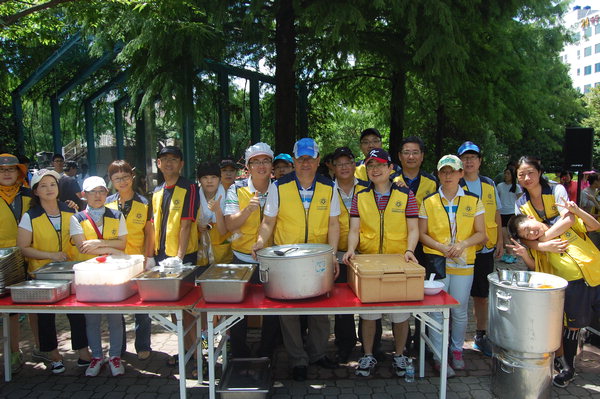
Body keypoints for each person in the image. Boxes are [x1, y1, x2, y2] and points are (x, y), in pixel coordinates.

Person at [252, 137, 340, 382]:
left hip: (317, 257)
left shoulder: (328, 186)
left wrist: (332, 255)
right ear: (294, 160)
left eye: (310, 159)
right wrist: (260, 242)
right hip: (287, 259)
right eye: (300, 159)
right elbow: (268, 221)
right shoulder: (279, 186)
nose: (305, 163)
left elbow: (334, 224)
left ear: (318, 160)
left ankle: (317, 353)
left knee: (321, 309)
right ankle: (298, 359)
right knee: (289, 311)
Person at [342, 148, 419, 377]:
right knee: (369, 314)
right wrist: (350, 249)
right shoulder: (360, 195)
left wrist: (409, 250)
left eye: (380, 165)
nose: (375, 170)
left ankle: (400, 355)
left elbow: (413, 229)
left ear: (390, 168)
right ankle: (367, 355)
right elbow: (354, 228)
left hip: (398, 262)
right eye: (371, 166)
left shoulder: (406, 195)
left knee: (400, 314)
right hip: (369, 262)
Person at [507, 199, 600, 388]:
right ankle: (568, 369)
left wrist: (576, 211)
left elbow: (594, 225)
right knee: (572, 327)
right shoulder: (536, 246)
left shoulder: (562, 222)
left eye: (529, 227)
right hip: (573, 286)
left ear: (532, 217)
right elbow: (535, 267)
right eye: (526, 234)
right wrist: (526, 253)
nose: (531, 232)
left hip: (597, 275)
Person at [16, 169, 91, 374]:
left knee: (77, 313)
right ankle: (54, 355)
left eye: (52, 184)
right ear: (36, 191)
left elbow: (80, 238)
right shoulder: (29, 216)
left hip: (70, 271)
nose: (49, 189)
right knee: (45, 316)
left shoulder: (70, 211)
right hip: (41, 275)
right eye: (43, 185)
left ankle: (84, 352)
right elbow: (23, 247)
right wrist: (50, 255)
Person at [419, 155, 486, 376]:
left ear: (460, 174)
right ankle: (439, 356)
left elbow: (481, 234)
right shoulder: (428, 201)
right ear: (438, 174)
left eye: (452, 171)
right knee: (437, 311)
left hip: (464, 262)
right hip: (437, 262)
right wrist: (440, 246)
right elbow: (421, 233)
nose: (448, 176)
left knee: (458, 310)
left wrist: (463, 244)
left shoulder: (473, 200)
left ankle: (456, 350)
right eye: (443, 171)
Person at [224, 142, 281, 358]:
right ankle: (239, 351)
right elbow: (229, 225)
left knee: (272, 309)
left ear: (271, 164)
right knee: (240, 309)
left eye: (265, 161)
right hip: (241, 258)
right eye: (255, 162)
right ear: (248, 166)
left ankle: (267, 351)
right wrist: (248, 209)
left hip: (271, 258)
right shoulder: (236, 189)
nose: (261, 166)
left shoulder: (279, 188)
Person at [71, 176, 128, 377]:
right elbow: (82, 247)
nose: (98, 195)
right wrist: (107, 246)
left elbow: (123, 244)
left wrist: (98, 244)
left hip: (113, 274)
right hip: (89, 277)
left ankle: (114, 356)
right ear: (84, 195)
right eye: (93, 192)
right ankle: (96, 356)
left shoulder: (116, 214)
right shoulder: (77, 218)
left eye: (102, 191)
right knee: (91, 319)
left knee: (115, 317)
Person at [151, 146, 199, 374]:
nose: (169, 163)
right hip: (162, 257)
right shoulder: (157, 191)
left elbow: (187, 223)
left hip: (183, 258)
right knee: (173, 309)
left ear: (181, 164)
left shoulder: (189, 187)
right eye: (164, 159)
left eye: (174, 159)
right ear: (158, 164)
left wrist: (179, 257)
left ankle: (198, 355)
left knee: (188, 308)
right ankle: (185, 350)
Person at [392, 135, 438, 352]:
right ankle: (400, 342)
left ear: (422, 156)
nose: (411, 156)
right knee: (399, 295)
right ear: (400, 156)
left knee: (424, 294)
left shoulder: (431, 182)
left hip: (426, 245)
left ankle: (424, 342)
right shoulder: (389, 179)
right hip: (400, 245)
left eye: (415, 152)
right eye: (406, 152)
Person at [106, 160, 155, 361]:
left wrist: (148, 257)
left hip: (138, 262)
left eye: (125, 177)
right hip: (114, 263)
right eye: (117, 178)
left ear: (132, 177)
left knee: (142, 307)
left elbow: (149, 233)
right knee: (115, 307)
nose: (122, 181)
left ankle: (143, 344)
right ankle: (118, 347)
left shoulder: (144, 203)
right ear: (111, 181)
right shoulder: (107, 202)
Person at [457, 141, 502, 357]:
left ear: (480, 161)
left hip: (485, 249)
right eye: (465, 158)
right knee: (458, 294)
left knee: (481, 294)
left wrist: (500, 241)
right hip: (463, 249)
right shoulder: (454, 183)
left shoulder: (489, 183)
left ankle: (481, 335)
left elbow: (496, 214)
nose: (469, 161)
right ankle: (453, 337)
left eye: (473, 157)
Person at [331, 146, 367, 363]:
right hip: (337, 254)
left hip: (364, 253)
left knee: (367, 300)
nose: (344, 167)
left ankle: (370, 343)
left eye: (348, 163)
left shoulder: (366, 188)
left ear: (355, 165)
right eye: (339, 164)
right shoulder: (325, 189)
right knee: (341, 302)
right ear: (333, 167)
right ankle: (344, 343)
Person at [0, 153, 32, 373]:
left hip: (28, 257)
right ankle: (9, 353)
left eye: (11, 169)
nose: (7, 173)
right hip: (1, 261)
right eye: (2, 170)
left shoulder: (30, 195)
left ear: (19, 172)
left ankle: (21, 351)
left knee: (26, 308)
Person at [197, 161, 232, 264]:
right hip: (200, 250)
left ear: (220, 179)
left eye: (213, 177)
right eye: (205, 178)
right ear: (199, 180)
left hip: (223, 252)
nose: (209, 181)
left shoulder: (229, 197)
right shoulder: (194, 197)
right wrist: (197, 227)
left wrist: (217, 211)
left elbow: (223, 231)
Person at [497, 166, 522, 263]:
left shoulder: (517, 187)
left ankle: (511, 254)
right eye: (505, 173)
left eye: (508, 173)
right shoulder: (499, 186)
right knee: (503, 235)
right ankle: (509, 254)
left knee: (510, 236)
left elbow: (520, 201)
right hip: (502, 212)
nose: (506, 175)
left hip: (512, 213)